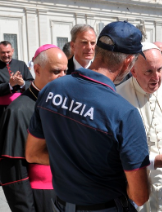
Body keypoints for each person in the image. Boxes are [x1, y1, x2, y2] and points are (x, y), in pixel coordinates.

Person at [25, 21, 150, 212]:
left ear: (97, 50)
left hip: (62, 205)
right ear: (128, 62)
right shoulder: (124, 113)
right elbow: (139, 195)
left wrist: (70, 165)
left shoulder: (51, 89)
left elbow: (33, 153)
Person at [117, 42, 162, 212]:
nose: (156, 77)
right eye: (149, 71)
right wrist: (152, 161)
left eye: (159, 70)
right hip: (134, 192)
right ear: (133, 71)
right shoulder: (117, 97)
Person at [0, 44, 67, 212]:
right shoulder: (18, 111)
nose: (63, 77)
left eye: (65, 71)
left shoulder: (65, 104)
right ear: (37, 70)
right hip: (42, 196)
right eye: (56, 71)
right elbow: (13, 175)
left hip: (70, 193)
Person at [0, 41, 34, 118]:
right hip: (3, 110)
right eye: (3, 53)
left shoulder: (21, 64)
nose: (6, 55)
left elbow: (32, 83)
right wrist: (9, 85)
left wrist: (23, 83)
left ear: (12, 51)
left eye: (8, 52)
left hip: (23, 107)